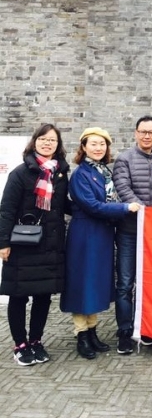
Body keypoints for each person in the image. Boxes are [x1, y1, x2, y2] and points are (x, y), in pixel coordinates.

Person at [60, 127, 141, 360]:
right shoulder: (80, 174)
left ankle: (93, 331)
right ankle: (81, 334)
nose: (98, 148)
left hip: (102, 233)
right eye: (93, 144)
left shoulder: (104, 171)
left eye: (102, 144)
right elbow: (93, 206)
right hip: (85, 234)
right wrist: (125, 208)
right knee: (82, 282)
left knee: (96, 282)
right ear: (84, 147)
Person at [0, 124, 70, 366]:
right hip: (23, 243)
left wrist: (93, 208)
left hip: (50, 244)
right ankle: (20, 344)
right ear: (35, 141)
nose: (47, 143)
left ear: (58, 145)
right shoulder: (20, 174)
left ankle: (36, 340)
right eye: (43, 139)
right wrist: (3, 242)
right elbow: (6, 210)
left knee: (43, 295)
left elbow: (64, 205)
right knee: (19, 295)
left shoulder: (60, 174)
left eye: (52, 140)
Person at [112, 116, 152, 355]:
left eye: (151, 132)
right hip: (129, 231)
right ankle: (125, 332)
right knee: (125, 283)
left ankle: (146, 328)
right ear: (136, 133)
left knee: (151, 283)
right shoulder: (124, 159)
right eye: (143, 131)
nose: (146, 136)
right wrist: (143, 211)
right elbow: (122, 188)